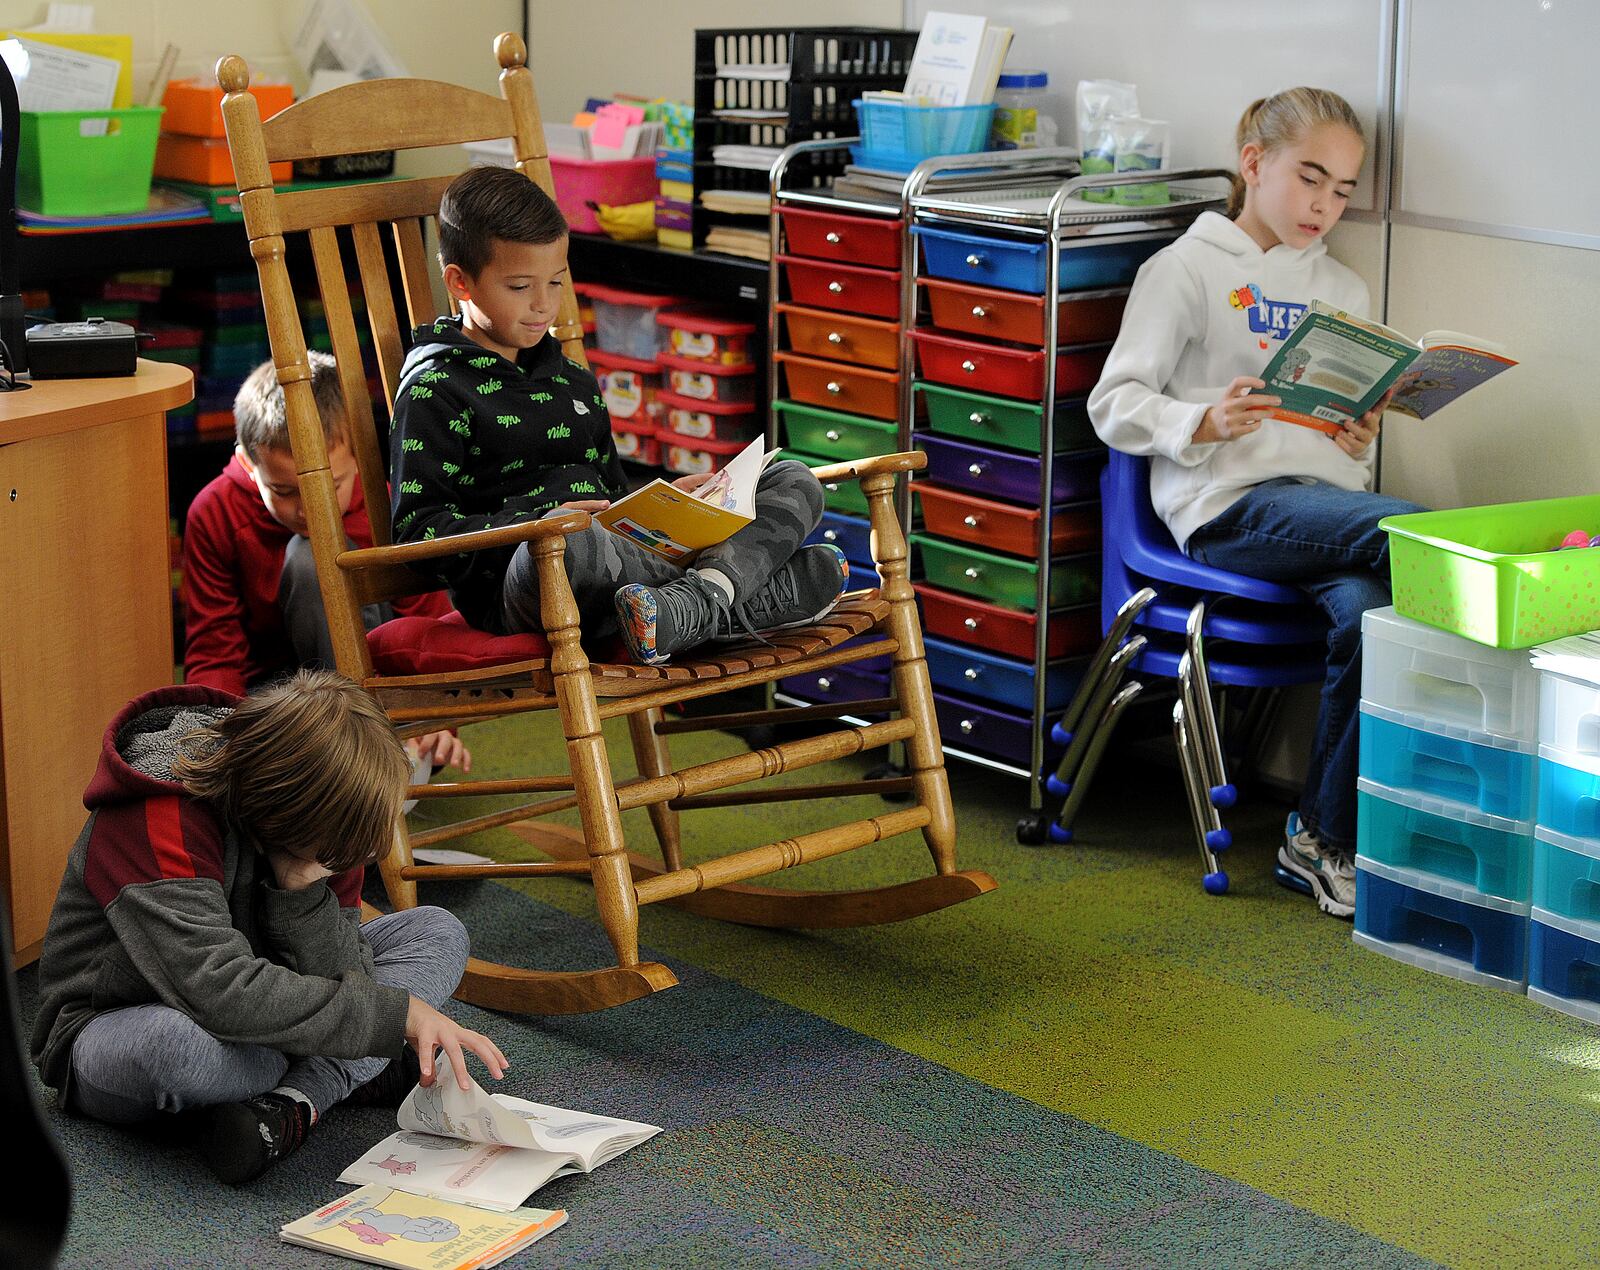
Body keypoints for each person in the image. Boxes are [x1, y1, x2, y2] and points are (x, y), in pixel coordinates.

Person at [1087, 88, 1425, 919]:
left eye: (1343, 190)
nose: (1325, 204)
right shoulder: (1184, 269)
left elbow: (1338, 436)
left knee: (1374, 613)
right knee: (1424, 538)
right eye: (1311, 177)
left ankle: (1318, 839)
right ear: (1253, 163)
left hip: (1322, 510)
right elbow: (1112, 402)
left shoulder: (1344, 287)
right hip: (1228, 507)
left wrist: (1356, 439)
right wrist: (1200, 416)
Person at [29, 671, 508, 1185]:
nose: (346, 863)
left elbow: (348, 975)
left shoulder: (325, 824)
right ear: (287, 815)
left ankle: (291, 1105)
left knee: (437, 931)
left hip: (264, 997)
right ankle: (333, 1078)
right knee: (182, 1052)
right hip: (125, 1021)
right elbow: (216, 990)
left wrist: (300, 893)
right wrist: (388, 1020)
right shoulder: (156, 813)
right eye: (330, 855)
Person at [388, 165, 848, 666]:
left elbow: (611, 495)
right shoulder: (437, 390)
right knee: (576, 542)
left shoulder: (573, 382)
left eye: (556, 282)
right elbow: (419, 534)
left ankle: (695, 604)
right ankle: (735, 599)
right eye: (520, 287)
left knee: (789, 477)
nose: (544, 306)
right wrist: (541, 523)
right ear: (460, 283)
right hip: (532, 577)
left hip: (632, 556)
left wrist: (671, 500)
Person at [183, 352, 469, 773]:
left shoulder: (388, 504)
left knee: (313, 557)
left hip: (380, 696)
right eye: (284, 491)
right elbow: (215, 654)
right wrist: (217, 738)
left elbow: (429, 626)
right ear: (248, 463)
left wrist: (439, 719)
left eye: (330, 485)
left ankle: (362, 754)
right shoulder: (213, 512)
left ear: (358, 454)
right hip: (279, 696)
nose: (309, 510)